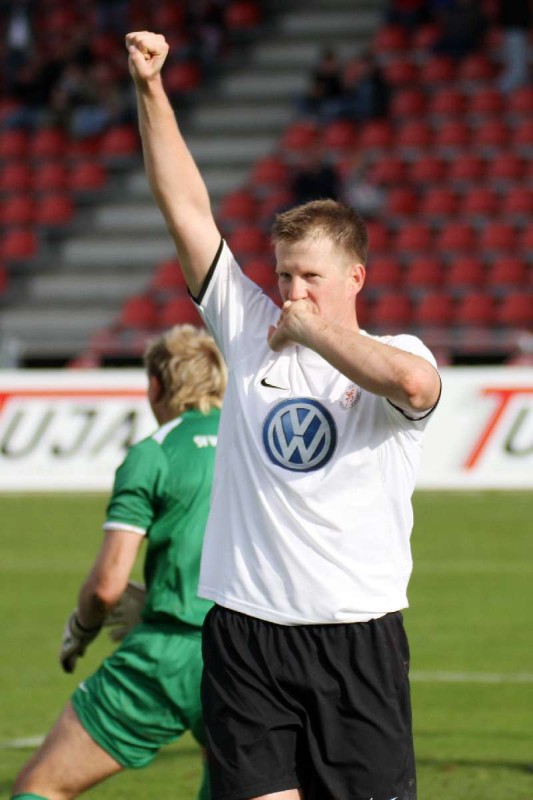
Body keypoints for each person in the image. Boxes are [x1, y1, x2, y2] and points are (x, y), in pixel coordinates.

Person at [125, 30, 442, 800]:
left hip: (356, 634)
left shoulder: (395, 351)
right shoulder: (246, 326)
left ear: (354, 277)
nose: (291, 293)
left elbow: (414, 387)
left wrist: (313, 333)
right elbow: (186, 209)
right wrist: (150, 89)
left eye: (309, 277)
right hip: (247, 632)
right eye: (283, 276)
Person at [10, 324, 227, 800]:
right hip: (250, 656)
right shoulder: (256, 445)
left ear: (155, 385)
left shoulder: (154, 453)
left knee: (40, 786)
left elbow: (108, 585)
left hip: (169, 655)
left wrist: (82, 628)